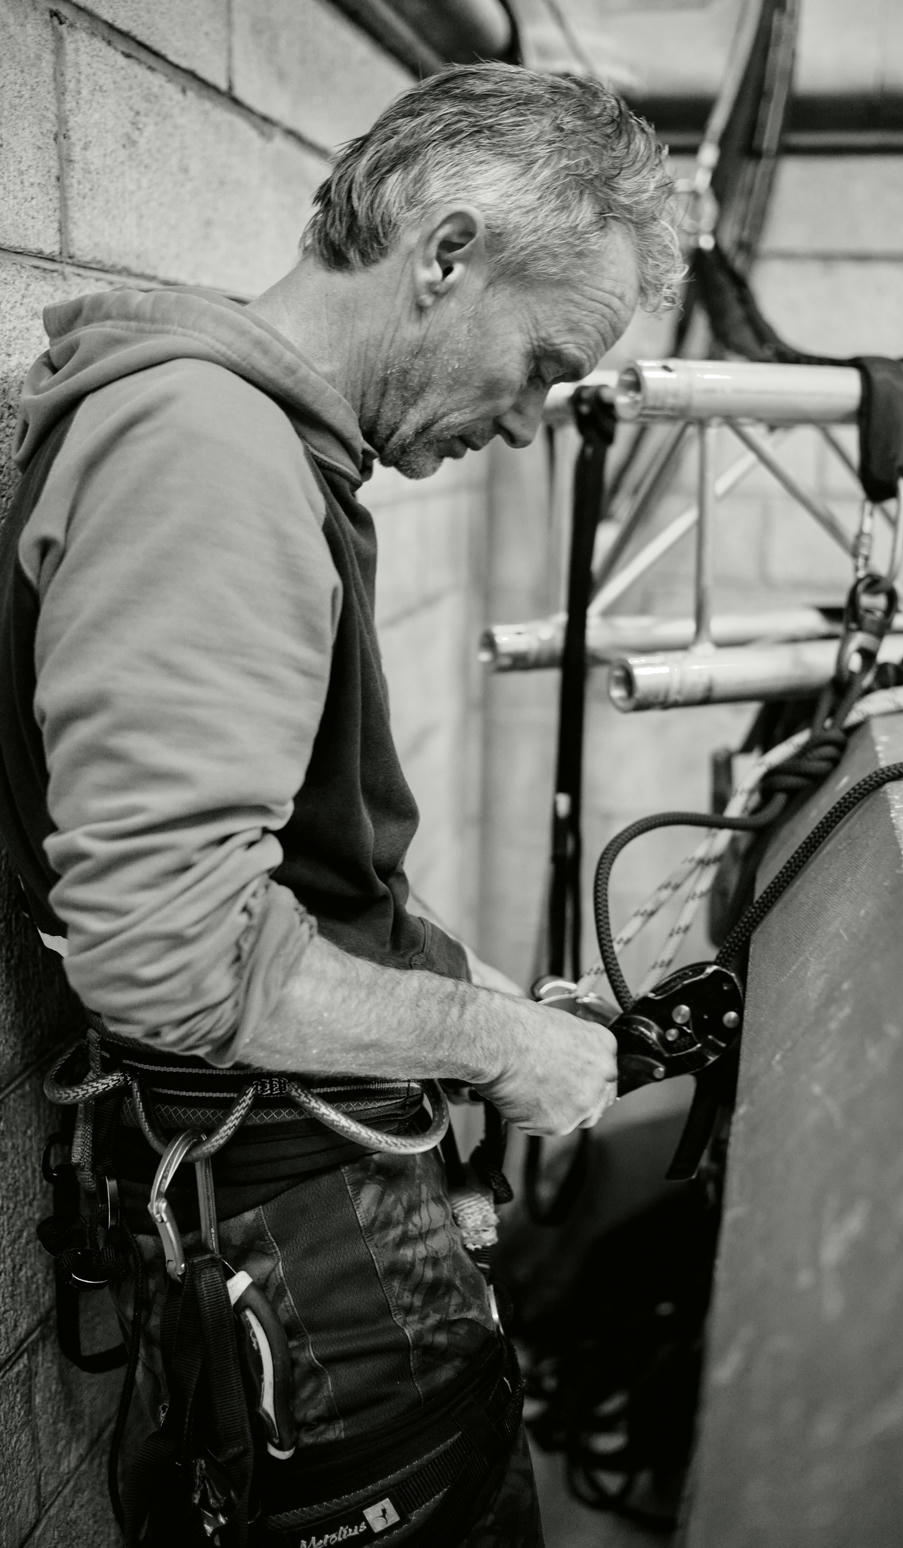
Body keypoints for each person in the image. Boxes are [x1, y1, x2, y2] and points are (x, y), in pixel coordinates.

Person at [0, 61, 682, 1547]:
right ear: (444, 253)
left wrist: (469, 987)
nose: (528, 424)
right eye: (547, 364)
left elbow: (285, 873)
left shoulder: (259, 449)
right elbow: (170, 955)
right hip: (291, 1231)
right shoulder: (206, 456)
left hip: (309, 1189)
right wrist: (499, 1045)